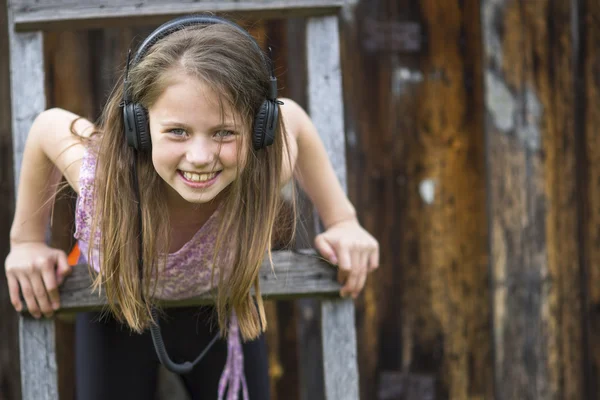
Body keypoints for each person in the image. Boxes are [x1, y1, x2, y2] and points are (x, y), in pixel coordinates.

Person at [4, 15, 379, 400]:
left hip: (221, 309)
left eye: (224, 132)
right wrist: (27, 241)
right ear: (138, 126)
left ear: (260, 129)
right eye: (177, 131)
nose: (200, 157)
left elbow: (293, 118)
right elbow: (47, 127)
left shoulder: (263, 171)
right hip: (115, 308)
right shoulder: (105, 180)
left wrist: (343, 220)